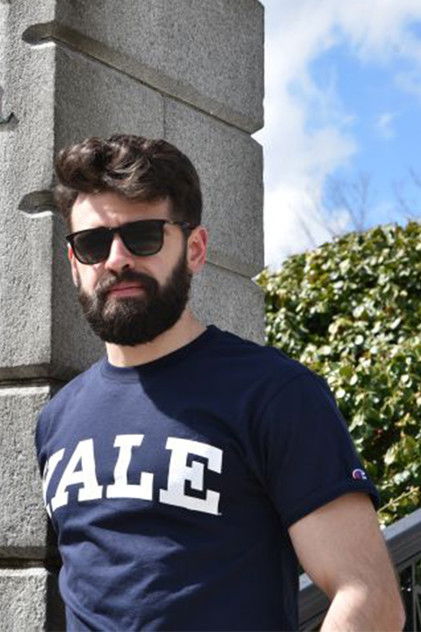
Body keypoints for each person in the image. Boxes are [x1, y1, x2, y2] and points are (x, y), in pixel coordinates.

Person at [36, 134, 405, 631]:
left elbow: (370, 598)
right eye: (93, 243)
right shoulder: (57, 420)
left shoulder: (274, 393)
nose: (117, 258)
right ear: (73, 262)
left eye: (143, 236)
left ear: (195, 249)